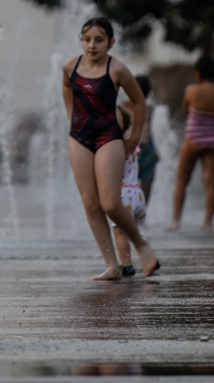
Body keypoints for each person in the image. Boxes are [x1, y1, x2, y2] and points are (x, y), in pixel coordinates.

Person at [62, 17, 158, 280]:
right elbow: (66, 88)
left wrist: (134, 137)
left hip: (108, 137)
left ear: (111, 43)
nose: (92, 45)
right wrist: (71, 115)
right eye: (87, 39)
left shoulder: (117, 69)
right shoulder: (70, 66)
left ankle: (141, 243)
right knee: (90, 203)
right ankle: (112, 265)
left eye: (99, 40)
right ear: (81, 41)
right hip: (78, 137)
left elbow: (138, 102)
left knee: (110, 203)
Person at [167, 55, 214, 232]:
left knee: (181, 181)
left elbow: (186, 110)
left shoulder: (191, 90)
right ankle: (208, 223)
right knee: (210, 181)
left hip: (193, 140)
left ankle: (176, 221)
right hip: (213, 141)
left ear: (199, 74)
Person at [109, 105, 147, 277]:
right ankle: (146, 255)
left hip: (124, 196)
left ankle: (126, 264)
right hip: (138, 194)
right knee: (132, 232)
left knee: (119, 232)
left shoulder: (117, 149)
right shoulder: (132, 145)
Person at [131, 74, 159, 203]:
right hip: (141, 150)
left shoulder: (122, 107)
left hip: (133, 151)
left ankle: (134, 217)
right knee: (144, 188)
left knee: (130, 186)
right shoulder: (149, 109)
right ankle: (139, 217)